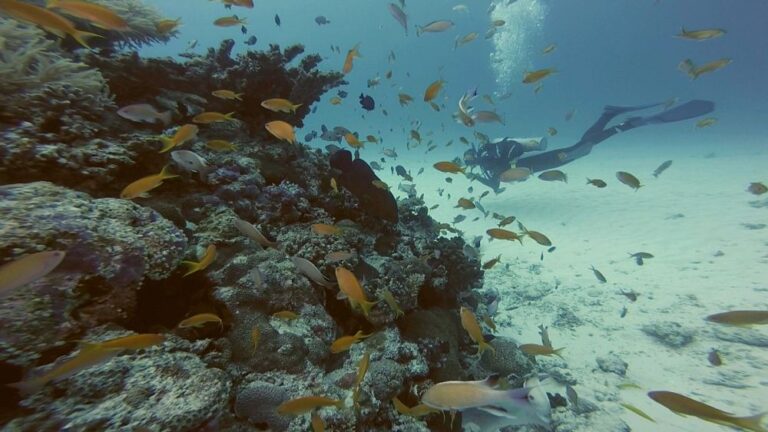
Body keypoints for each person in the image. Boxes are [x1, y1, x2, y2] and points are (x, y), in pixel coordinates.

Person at [463, 100, 715, 192]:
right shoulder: (488, 165)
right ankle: (611, 116)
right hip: (543, 163)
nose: (470, 163)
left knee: (582, 149)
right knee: (582, 148)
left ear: (475, 156)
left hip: (544, 161)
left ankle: (623, 123)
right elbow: (495, 186)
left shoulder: (489, 158)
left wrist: (481, 166)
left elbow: (504, 165)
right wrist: (477, 176)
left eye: (469, 159)